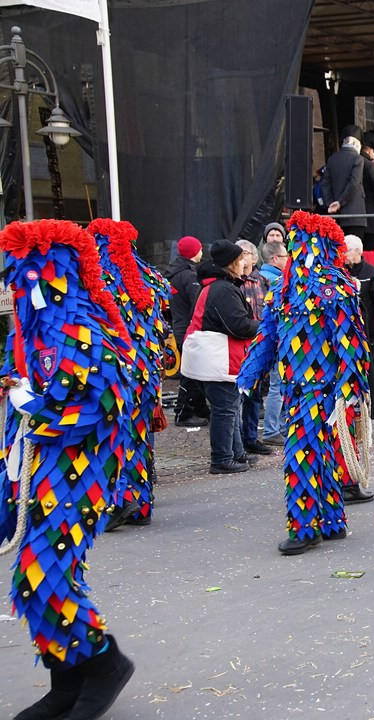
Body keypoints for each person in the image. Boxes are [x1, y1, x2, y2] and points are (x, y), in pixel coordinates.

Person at [1, 219, 136, 720]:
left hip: (83, 470)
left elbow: (100, 401)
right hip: (43, 470)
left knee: (45, 574)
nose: (25, 284)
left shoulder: (84, 329)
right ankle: (67, 679)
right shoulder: (39, 335)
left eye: (34, 273)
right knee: (32, 579)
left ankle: (105, 664)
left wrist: (33, 408)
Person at [237, 212, 370, 555]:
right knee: (320, 453)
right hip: (296, 389)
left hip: (323, 389)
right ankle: (331, 521)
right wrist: (249, 374)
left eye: (300, 239)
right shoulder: (283, 290)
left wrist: (350, 390)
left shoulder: (334, 287)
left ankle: (304, 527)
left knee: (302, 454)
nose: (294, 246)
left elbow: (350, 343)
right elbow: (267, 336)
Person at [89, 218, 171, 531]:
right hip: (147, 373)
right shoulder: (151, 277)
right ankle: (141, 505)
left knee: (113, 437)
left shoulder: (95, 278)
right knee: (139, 438)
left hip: (115, 372)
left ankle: (118, 500)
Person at [181, 240, 261, 474]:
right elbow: (238, 325)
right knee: (226, 409)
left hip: (212, 357)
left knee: (230, 408)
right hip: (219, 358)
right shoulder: (223, 289)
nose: (244, 263)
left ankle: (235, 453)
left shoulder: (214, 285)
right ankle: (222, 458)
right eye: (240, 260)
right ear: (232, 263)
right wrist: (263, 325)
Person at [165, 235, 210, 426]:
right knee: (191, 374)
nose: (202, 252)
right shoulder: (189, 276)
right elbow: (198, 303)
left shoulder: (175, 273)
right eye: (199, 249)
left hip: (180, 327)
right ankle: (183, 412)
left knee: (192, 371)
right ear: (194, 252)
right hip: (189, 330)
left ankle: (199, 409)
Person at [343, 234, 374, 419]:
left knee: (368, 367)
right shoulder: (341, 272)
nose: (342, 254)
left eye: (345, 250)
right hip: (345, 329)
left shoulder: (372, 273)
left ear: (357, 251)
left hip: (366, 330)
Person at [235, 239, 272, 456]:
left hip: (258, 344)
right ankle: (237, 439)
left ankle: (250, 437)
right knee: (238, 395)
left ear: (255, 257)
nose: (242, 256)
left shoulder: (263, 281)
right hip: (239, 343)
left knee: (255, 395)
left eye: (246, 253)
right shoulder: (233, 282)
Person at [258, 225, 290, 446]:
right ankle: (271, 430)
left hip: (271, 338)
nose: (288, 260)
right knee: (277, 385)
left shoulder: (261, 277)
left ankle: (276, 427)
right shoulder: (273, 281)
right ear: (275, 258)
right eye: (286, 256)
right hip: (277, 338)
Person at [323, 125, 368, 240]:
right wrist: (340, 202)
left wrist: (331, 204)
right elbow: (354, 182)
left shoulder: (332, 159)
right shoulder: (358, 159)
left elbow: (325, 184)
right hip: (355, 216)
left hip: (336, 215)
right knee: (354, 251)